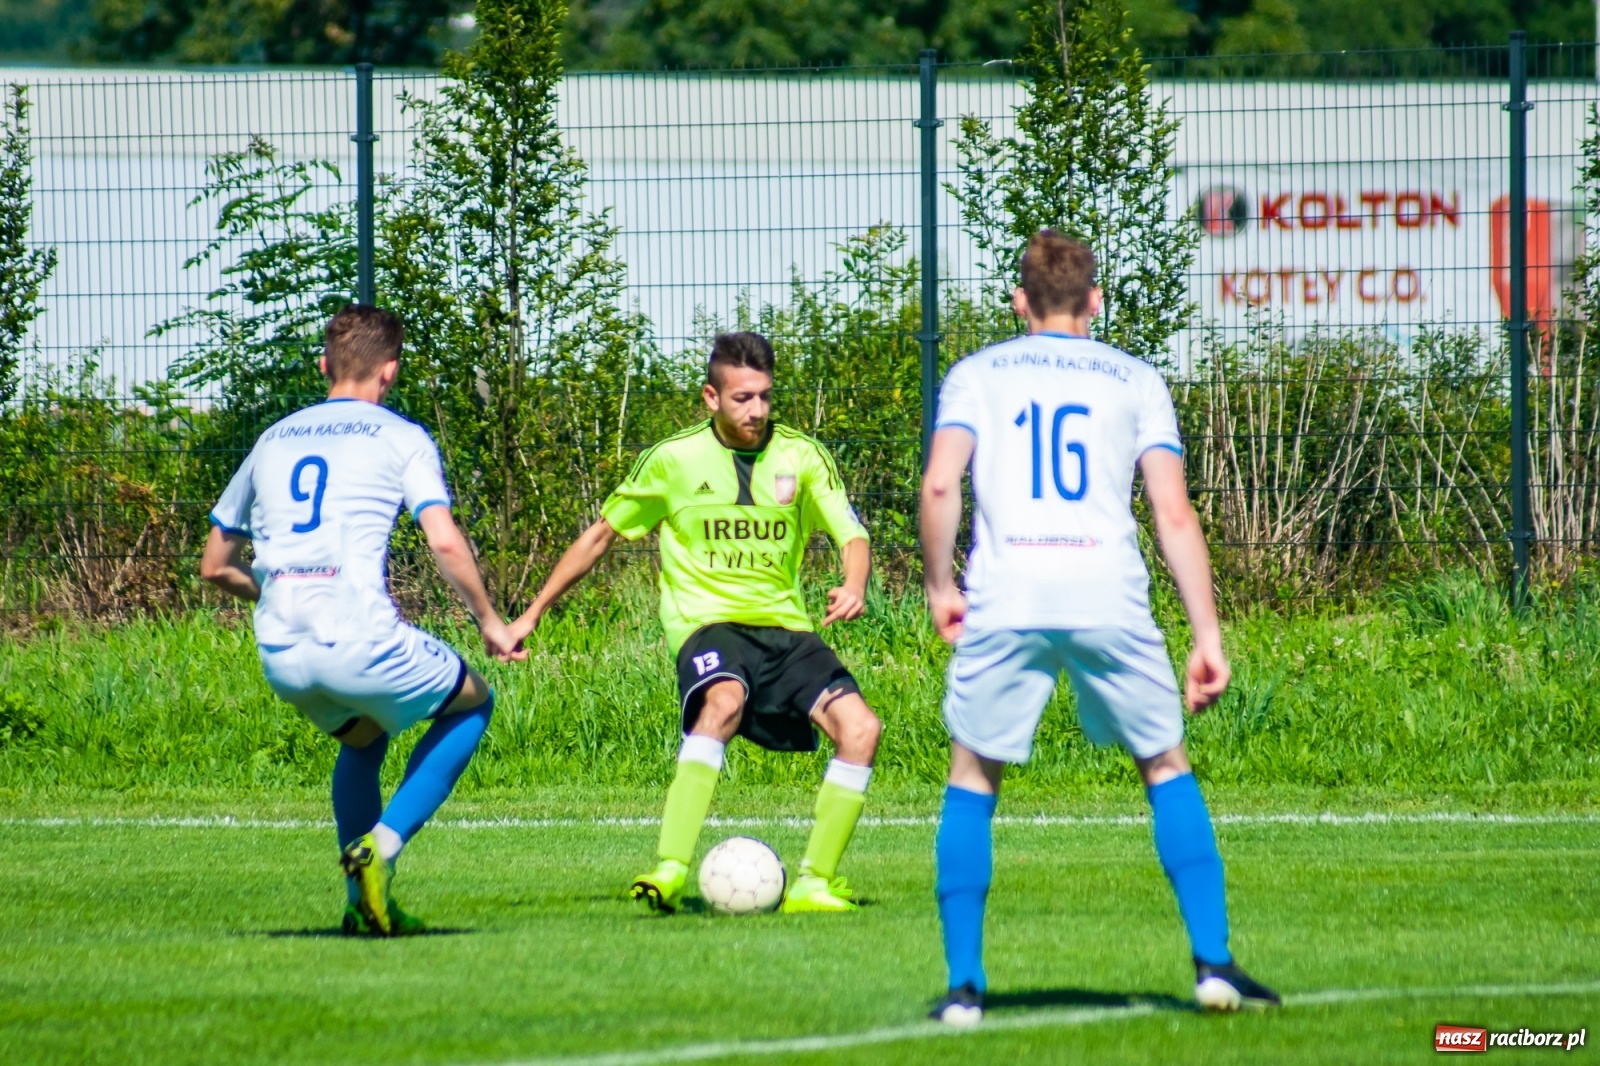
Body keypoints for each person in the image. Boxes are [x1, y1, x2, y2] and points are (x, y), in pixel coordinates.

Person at [919, 231, 1280, 1023]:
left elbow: (942, 483)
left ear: (1019, 302)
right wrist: (1207, 634)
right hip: (1108, 593)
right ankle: (1214, 965)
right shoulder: (1134, 378)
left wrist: (942, 584)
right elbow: (1174, 513)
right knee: (1164, 765)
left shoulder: (977, 374)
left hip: (1009, 593)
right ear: (1095, 301)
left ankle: (963, 989)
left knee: (974, 774)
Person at [509, 331, 880, 914]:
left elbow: (851, 533)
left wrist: (853, 582)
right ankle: (671, 869)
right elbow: (602, 534)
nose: (756, 410)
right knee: (723, 701)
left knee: (861, 730)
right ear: (711, 397)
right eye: (741, 398)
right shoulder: (674, 460)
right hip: (708, 626)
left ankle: (813, 883)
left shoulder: (801, 455)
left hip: (786, 628)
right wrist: (533, 612)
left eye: (764, 396)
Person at [200, 305, 520, 937]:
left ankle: (361, 901)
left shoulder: (273, 438)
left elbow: (214, 565)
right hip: (359, 638)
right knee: (472, 704)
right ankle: (384, 845)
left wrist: (276, 587)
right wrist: (490, 620)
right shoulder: (400, 437)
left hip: (281, 652)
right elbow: (446, 542)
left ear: (325, 366)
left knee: (364, 738)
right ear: (390, 373)